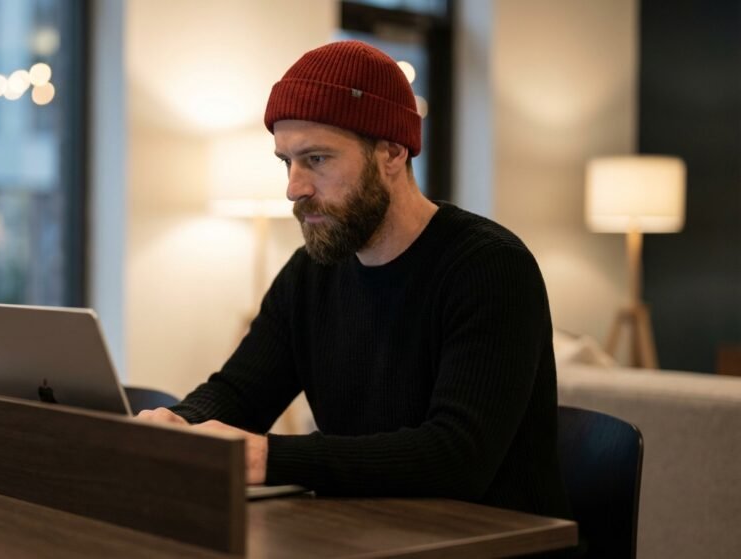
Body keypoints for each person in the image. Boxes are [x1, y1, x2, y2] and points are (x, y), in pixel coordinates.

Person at [137, 40, 571, 520]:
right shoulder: (311, 272)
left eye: (317, 159)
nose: (293, 188)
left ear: (391, 152)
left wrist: (269, 457)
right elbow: (240, 393)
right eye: (286, 162)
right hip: (369, 532)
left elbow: (456, 457)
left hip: (494, 543)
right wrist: (179, 425)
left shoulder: (489, 268)